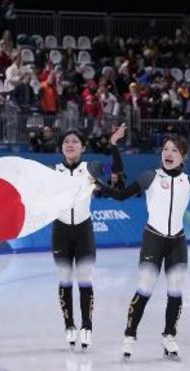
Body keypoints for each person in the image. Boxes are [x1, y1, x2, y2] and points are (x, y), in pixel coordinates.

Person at [98, 135, 190, 360]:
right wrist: (99, 184)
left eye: (174, 150)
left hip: (177, 242)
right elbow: (121, 195)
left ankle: (169, 336)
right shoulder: (150, 177)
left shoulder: (188, 181)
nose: (168, 153)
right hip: (153, 239)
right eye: (165, 149)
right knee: (145, 289)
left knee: (175, 291)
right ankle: (129, 336)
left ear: (183, 156)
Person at [52, 126, 126, 350]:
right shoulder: (53, 171)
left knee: (84, 279)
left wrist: (113, 145)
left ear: (83, 148)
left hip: (83, 231)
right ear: (61, 148)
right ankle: (69, 325)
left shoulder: (91, 168)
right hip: (61, 232)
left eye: (74, 141)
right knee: (65, 280)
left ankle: (87, 325)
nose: (70, 144)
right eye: (66, 141)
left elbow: (117, 169)